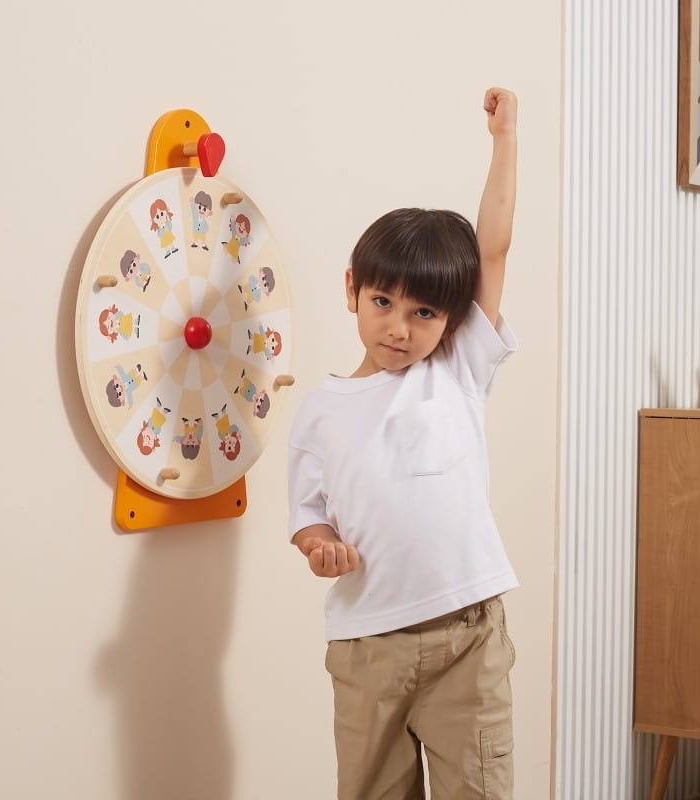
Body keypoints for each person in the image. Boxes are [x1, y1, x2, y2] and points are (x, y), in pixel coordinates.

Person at [287, 87, 519, 800]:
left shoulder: (457, 369)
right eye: (383, 302)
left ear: (451, 322)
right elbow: (308, 515)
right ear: (352, 290)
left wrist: (504, 140)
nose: (399, 327)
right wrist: (320, 544)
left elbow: (493, 248)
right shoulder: (320, 412)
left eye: (423, 313)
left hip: (466, 640)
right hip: (368, 648)